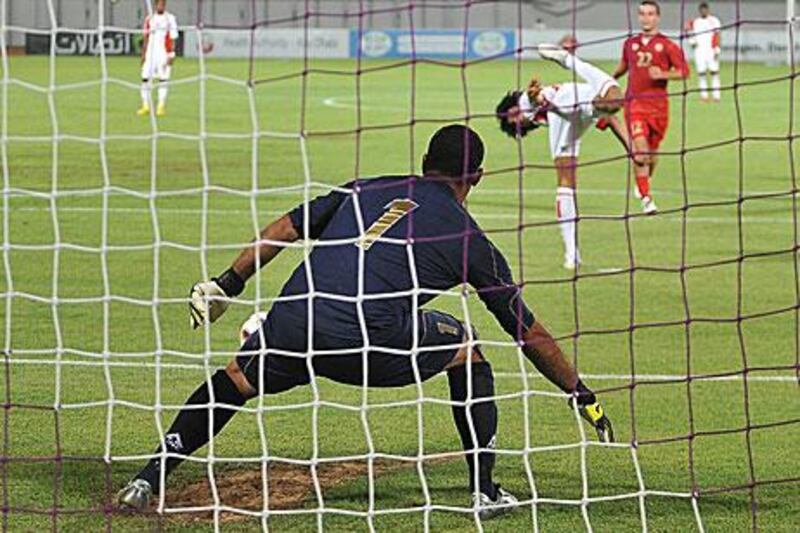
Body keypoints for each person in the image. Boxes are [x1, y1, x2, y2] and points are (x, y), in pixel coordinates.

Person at [116, 125, 614, 519]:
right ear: (477, 177)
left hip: (297, 317)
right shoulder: (469, 239)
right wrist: (580, 391)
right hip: (369, 341)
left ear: (423, 165)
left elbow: (286, 228)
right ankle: (485, 492)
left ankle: (147, 478)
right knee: (466, 346)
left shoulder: (366, 187)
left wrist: (230, 281)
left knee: (236, 378)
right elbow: (528, 332)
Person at [495, 45, 628, 270]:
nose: (517, 118)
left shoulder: (527, 104)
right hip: (567, 117)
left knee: (614, 101)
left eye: (514, 114)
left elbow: (531, 100)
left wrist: (631, 148)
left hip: (573, 100)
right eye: (513, 121)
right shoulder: (536, 117)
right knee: (565, 184)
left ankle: (566, 59)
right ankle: (571, 253)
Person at [613, 0, 690, 214]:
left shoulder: (667, 45)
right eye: (642, 14)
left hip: (658, 108)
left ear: (657, 17)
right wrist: (609, 79)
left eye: (650, 14)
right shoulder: (630, 43)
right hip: (634, 104)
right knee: (641, 151)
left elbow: (684, 71)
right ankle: (647, 199)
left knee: (652, 154)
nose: (646, 18)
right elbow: (624, 66)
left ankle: (644, 181)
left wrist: (663, 74)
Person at [137, 0, 178, 117]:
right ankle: (145, 106)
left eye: (163, 4)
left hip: (163, 54)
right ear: (155, 5)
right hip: (150, 54)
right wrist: (143, 55)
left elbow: (173, 37)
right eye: (159, 4)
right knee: (145, 79)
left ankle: (161, 106)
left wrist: (172, 54)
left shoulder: (170, 19)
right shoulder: (149, 19)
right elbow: (146, 38)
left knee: (163, 80)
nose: (161, 6)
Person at [686, 2, 722, 102]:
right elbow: (689, 32)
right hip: (699, 51)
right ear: (699, 10)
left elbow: (717, 35)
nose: (703, 11)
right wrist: (692, 42)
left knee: (714, 72)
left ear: (708, 10)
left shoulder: (714, 21)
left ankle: (716, 96)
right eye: (701, 9)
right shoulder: (696, 22)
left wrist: (717, 49)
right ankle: (704, 96)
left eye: (705, 9)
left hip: (710, 50)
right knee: (701, 74)